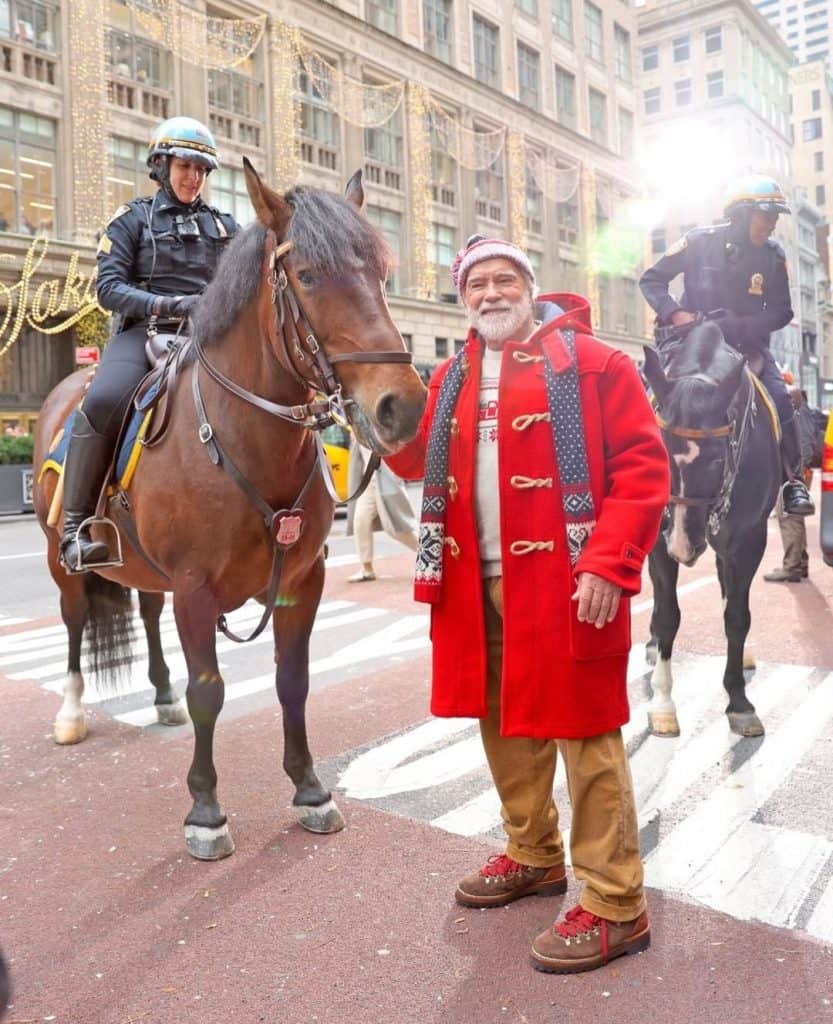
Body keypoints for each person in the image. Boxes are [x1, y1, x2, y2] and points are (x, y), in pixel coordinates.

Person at [385, 235, 670, 974]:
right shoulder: (448, 375)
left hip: (566, 582)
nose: (488, 293)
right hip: (468, 581)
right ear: (462, 299)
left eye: (502, 278)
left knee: (585, 733)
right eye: (475, 283)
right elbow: (412, 458)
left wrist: (607, 564)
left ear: (529, 286)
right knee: (499, 718)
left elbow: (643, 470)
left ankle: (615, 902)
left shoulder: (595, 363)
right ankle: (533, 852)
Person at [59, 116, 239, 571]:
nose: (193, 177)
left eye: (201, 170)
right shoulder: (131, 219)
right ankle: (75, 528)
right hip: (145, 334)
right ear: (161, 166)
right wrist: (171, 304)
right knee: (101, 399)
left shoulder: (226, 226)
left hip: (210, 337)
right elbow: (108, 288)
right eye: (184, 166)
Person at [639, 173, 814, 518]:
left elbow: (783, 311)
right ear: (743, 214)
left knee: (780, 398)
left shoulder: (774, 256)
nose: (773, 224)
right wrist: (675, 314)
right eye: (767, 216)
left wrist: (740, 325)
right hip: (691, 344)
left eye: (775, 217)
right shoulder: (698, 242)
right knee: (648, 394)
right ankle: (637, 473)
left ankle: (792, 481)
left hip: (746, 349)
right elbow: (652, 280)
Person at [764, 386, 819, 582]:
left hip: (790, 473)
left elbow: (803, 442)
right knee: (795, 515)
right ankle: (800, 563)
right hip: (792, 471)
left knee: (788, 517)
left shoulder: (795, 413)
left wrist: (796, 472)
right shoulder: (800, 412)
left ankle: (792, 567)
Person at [345, 437, 417, 582]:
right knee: (360, 521)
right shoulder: (357, 425)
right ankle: (367, 569)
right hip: (367, 481)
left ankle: (430, 554)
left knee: (395, 529)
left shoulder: (378, 422)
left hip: (384, 479)